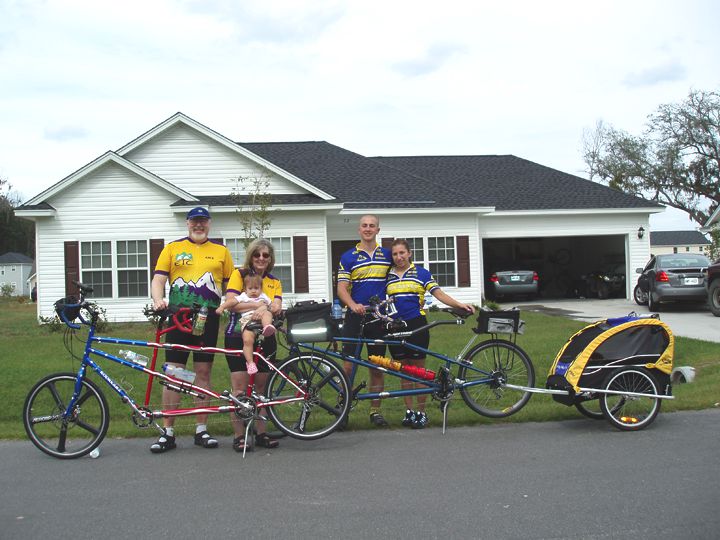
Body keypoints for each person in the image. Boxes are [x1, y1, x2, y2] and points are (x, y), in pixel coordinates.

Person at [150, 206, 235, 453]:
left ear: (209, 224)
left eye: (203, 222)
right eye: (194, 222)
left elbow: (231, 285)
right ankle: (168, 432)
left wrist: (228, 304)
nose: (199, 226)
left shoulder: (221, 251)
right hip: (178, 318)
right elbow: (159, 279)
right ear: (187, 223)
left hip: (207, 319)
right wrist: (158, 300)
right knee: (174, 374)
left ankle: (201, 429)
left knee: (203, 373)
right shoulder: (173, 248)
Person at [386, 238, 475, 429]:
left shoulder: (421, 273)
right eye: (395, 254)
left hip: (417, 325)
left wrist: (459, 304)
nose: (399, 257)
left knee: (418, 372)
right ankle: (409, 412)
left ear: (409, 253)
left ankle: (422, 412)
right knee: (403, 372)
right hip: (394, 326)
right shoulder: (387, 275)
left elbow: (439, 294)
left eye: (402, 253)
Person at [223, 238, 283, 452]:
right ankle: (239, 436)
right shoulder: (239, 275)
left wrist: (268, 308)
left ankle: (261, 433)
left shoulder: (275, 281)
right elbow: (231, 304)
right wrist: (260, 304)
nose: (261, 258)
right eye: (257, 254)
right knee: (239, 389)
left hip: (265, 336)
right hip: (237, 335)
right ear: (251, 256)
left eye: (265, 255)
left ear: (270, 258)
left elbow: (277, 305)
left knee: (262, 388)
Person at [337, 214, 392, 427]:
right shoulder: (348, 256)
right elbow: (342, 288)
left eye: (372, 226)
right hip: (355, 316)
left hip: (379, 317)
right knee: (348, 367)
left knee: (376, 366)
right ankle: (342, 411)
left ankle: (375, 411)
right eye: (364, 226)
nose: (368, 229)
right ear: (359, 230)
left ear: (378, 230)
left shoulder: (387, 255)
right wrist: (352, 305)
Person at [216, 273, 275, 376]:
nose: (253, 291)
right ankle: (250, 363)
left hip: (262, 319)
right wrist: (222, 307)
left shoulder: (263, 296)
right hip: (249, 320)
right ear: (245, 289)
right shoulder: (243, 297)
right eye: (250, 288)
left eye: (256, 288)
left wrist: (270, 307)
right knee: (247, 340)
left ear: (261, 289)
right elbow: (231, 302)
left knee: (267, 314)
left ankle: (267, 327)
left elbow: (273, 306)